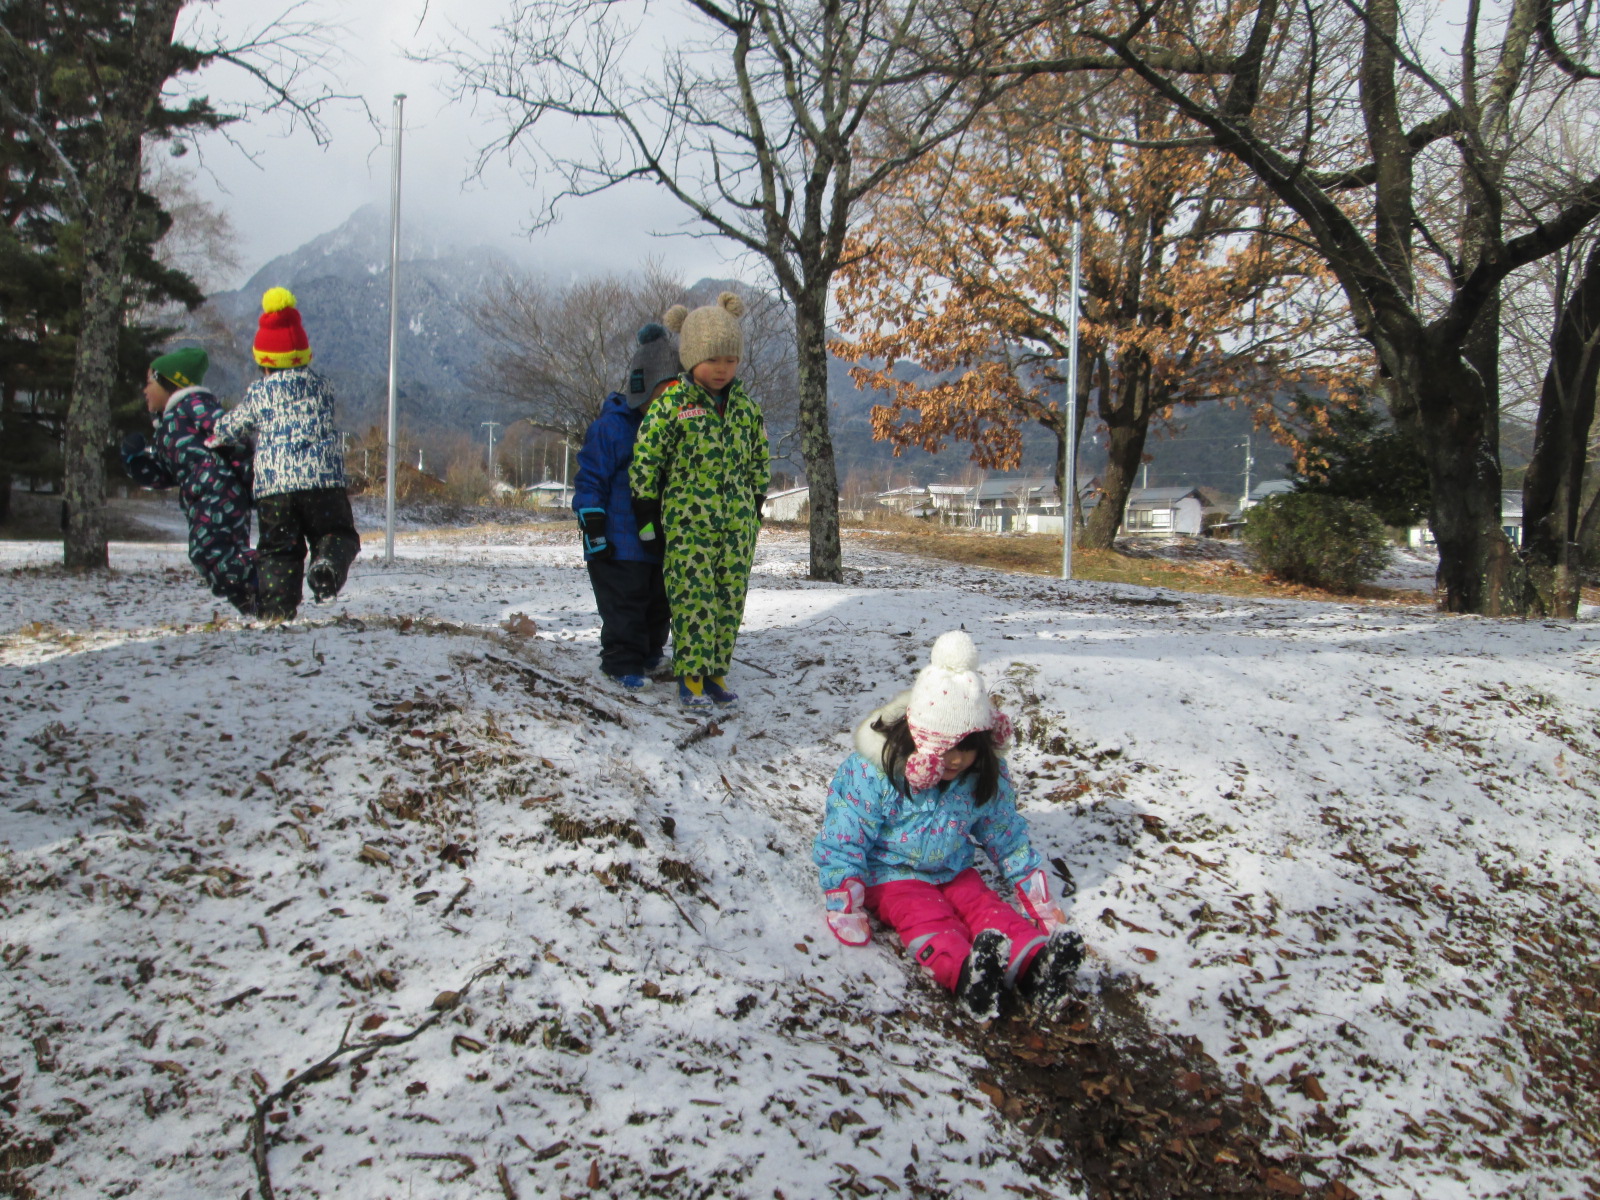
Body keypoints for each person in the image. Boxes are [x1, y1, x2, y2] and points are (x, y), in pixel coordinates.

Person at [812, 631, 1085, 1021]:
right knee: (925, 915)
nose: (958, 760)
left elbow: (1005, 833)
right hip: (891, 875)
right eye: (947, 747)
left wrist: (1035, 893)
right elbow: (846, 832)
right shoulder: (876, 773)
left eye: (968, 747)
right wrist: (844, 897)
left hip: (954, 868)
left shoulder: (980, 776)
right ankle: (967, 974)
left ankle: (1034, 963)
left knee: (985, 907)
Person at [628, 292, 769, 708]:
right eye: (712, 359)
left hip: (737, 528)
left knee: (729, 599)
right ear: (691, 358)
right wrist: (646, 514)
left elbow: (759, 460)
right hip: (688, 527)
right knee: (694, 600)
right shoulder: (671, 405)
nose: (722, 368)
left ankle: (715, 673)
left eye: (730, 359)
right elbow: (646, 460)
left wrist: (755, 505)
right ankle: (690, 677)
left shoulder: (746, 409)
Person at [208, 287, 360, 621]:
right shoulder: (323, 387)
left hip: (274, 487)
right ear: (304, 356)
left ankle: (277, 613)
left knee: (279, 550)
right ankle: (326, 567)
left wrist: (216, 435)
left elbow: (234, 425)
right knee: (336, 534)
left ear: (263, 362)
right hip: (323, 482)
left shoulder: (260, 393)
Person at [571, 323, 679, 691]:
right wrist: (593, 524)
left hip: (653, 540)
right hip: (615, 542)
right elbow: (591, 478)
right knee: (625, 604)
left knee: (658, 601)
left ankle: (650, 652)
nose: (669, 405)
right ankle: (620, 661)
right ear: (643, 388)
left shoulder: (671, 431)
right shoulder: (613, 428)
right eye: (663, 394)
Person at [120, 347, 259, 616]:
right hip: (201, 497)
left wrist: (246, 476)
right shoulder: (168, 426)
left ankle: (267, 573)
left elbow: (230, 434)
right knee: (207, 555)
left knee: (210, 551)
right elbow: (165, 474)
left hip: (219, 490)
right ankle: (255, 601)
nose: (144, 390)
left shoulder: (195, 405)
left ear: (171, 382)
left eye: (149, 382)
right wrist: (134, 462)